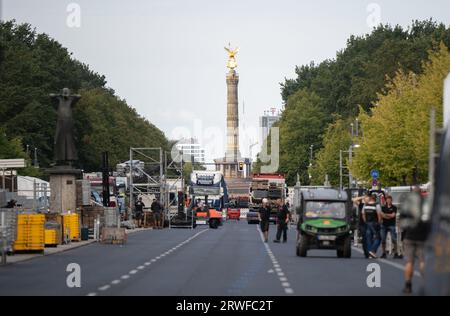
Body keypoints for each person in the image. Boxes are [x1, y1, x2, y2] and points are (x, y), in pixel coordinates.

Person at [402, 188, 429, 294]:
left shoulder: (407, 205)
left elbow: (402, 222)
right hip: (423, 236)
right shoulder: (426, 204)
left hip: (410, 235)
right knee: (423, 261)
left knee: (409, 262)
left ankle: (408, 285)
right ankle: (425, 284)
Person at [362, 194, 382, 258]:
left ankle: (370, 252)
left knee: (369, 238)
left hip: (367, 223)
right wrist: (379, 222)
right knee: (378, 238)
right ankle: (372, 250)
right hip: (374, 223)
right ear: (375, 198)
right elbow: (379, 214)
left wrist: (365, 221)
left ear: (370, 198)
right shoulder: (377, 205)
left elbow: (363, 214)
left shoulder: (365, 205)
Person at [352, 193, 371, 258]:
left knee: (369, 238)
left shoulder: (372, 205)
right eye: (366, 199)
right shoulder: (362, 205)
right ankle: (366, 253)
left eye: (368, 199)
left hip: (370, 224)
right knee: (365, 239)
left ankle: (370, 251)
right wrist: (362, 197)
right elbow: (353, 200)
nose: (367, 200)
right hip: (362, 224)